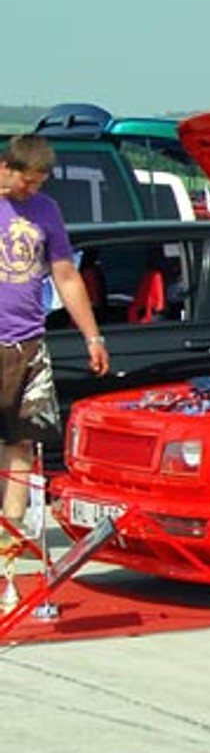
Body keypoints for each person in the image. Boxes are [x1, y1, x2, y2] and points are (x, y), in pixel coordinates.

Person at [0, 136, 110, 578]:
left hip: (28, 344)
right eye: (25, 183)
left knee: (22, 441)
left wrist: (93, 337)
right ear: (6, 167)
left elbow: (65, 275)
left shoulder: (47, 211)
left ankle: (7, 548)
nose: (31, 192)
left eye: (38, 184)